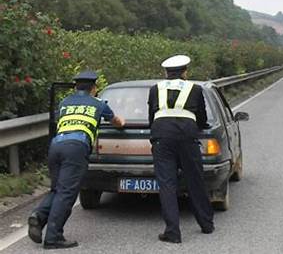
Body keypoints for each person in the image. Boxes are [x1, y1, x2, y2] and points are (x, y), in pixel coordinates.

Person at [28, 71, 125, 249]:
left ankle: (38, 216)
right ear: (94, 88)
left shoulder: (65, 102)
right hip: (76, 148)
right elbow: (116, 122)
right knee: (66, 193)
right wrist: (122, 122)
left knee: (57, 189)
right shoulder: (98, 103)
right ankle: (53, 237)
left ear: (75, 88)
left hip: (56, 146)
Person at [148, 54, 214, 244]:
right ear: (185, 72)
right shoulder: (195, 88)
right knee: (195, 179)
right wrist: (197, 127)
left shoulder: (155, 89)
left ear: (166, 73)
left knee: (167, 184)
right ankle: (206, 224)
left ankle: (172, 232)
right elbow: (201, 117)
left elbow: (152, 117)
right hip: (187, 135)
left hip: (162, 136)